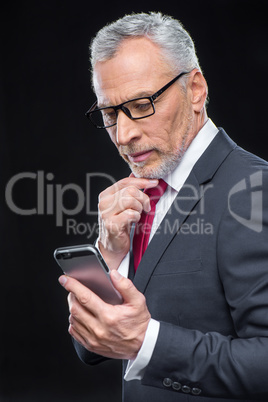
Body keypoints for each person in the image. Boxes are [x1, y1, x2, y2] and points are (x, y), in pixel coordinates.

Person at [58, 12, 268, 401]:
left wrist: (147, 342)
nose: (124, 135)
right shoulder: (136, 199)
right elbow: (90, 346)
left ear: (196, 89)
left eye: (141, 105)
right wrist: (109, 256)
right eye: (109, 114)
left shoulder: (256, 189)